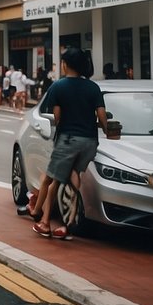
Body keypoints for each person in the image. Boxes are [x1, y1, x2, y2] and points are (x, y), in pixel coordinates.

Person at [33, 47, 110, 240]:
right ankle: (67, 226)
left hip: (68, 139)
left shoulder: (58, 86)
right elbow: (102, 116)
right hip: (89, 142)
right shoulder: (93, 87)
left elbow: (57, 116)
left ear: (65, 65)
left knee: (53, 180)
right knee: (74, 177)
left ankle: (45, 222)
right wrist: (108, 130)